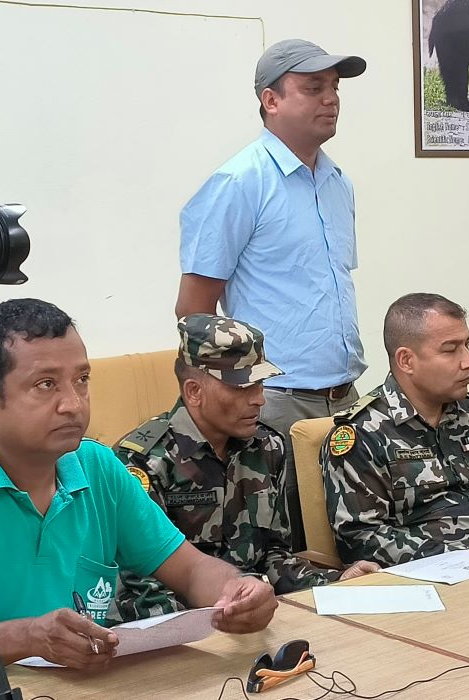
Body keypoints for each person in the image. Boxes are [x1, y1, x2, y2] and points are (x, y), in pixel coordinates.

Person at [0, 299, 277, 698]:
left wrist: (236, 591)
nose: (73, 404)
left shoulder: (98, 467)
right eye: (46, 384)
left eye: (82, 380)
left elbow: (192, 570)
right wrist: (24, 638)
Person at [175, 39, 369, 548]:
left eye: (335, 87)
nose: (330, 98)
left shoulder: (337, 183)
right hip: (275, 402)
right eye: (313, 87)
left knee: (350, 546)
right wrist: (228, 399)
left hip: (344, 397)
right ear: (271, 100)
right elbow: (194, 312)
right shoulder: (239, 182)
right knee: (289, 552)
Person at [111, 314, 379, 621]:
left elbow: (275, 558)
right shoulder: (144, 462)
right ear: (194, 391)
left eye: (260, 383)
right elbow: (140, 588)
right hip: (179, 626)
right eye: (242, 388)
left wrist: (337, 584)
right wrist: (216, 626)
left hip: (251, 617)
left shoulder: (267, 447)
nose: (259, 399)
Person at [321, 293, 469, 568]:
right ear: (406, 361)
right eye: (450, 350)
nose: (468, 361)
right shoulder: (362, 433)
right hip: (438, 573)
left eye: (467, 345)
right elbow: (361, 539)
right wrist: (464, 559)